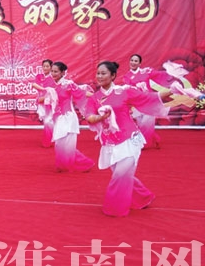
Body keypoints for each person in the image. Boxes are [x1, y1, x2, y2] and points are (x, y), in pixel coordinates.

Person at [86, 61, 172, 217]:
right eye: (98, 73)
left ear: (113, 76)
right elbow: (89, 117)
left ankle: (115, 208)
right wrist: (100, 117)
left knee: (120, 175)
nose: (99, 76)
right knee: (123, 174)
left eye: (103, 73)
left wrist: (172, 91)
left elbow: (148, 97)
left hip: (129, 139)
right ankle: (143, 197)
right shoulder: (95, 98)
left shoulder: (124, 91)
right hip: (109, 143)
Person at [31, 61, 94, 173]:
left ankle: (83, 163)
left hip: (69, 117)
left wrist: (97, 98)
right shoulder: (52, 86)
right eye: (52, 71)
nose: (53, 74)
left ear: (63, 72)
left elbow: (82, 93)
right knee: (59, 143)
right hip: (59, 118)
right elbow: (44, 99)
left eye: (56, 71)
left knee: (68, 144)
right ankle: (64, 164)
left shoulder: (68, 84)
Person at [122, 54, 171, 148]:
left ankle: (141, 144)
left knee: (146, 123)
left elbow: (159, 75)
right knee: (141, 124)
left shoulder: (145, 71)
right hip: (138, 103)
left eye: (136, 61)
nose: (133, 62)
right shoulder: (127, 76)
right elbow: (128, 91)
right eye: (132, 60)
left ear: (140, 63)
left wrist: (170, 74)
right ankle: (155, 138)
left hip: (150, 101)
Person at [34, 59, 55, 148]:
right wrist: (43, 91)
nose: (45, 68)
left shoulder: (53, 78)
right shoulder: (39, 76)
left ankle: (48, 141)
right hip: (41, 101)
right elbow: (34, 85)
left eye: (47, 66)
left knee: (48, 121)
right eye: (44, 66)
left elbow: (53, 91)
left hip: (50, 102)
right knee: (46, 121)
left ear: (51, 67)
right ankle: (52, 139)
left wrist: (45, 97)